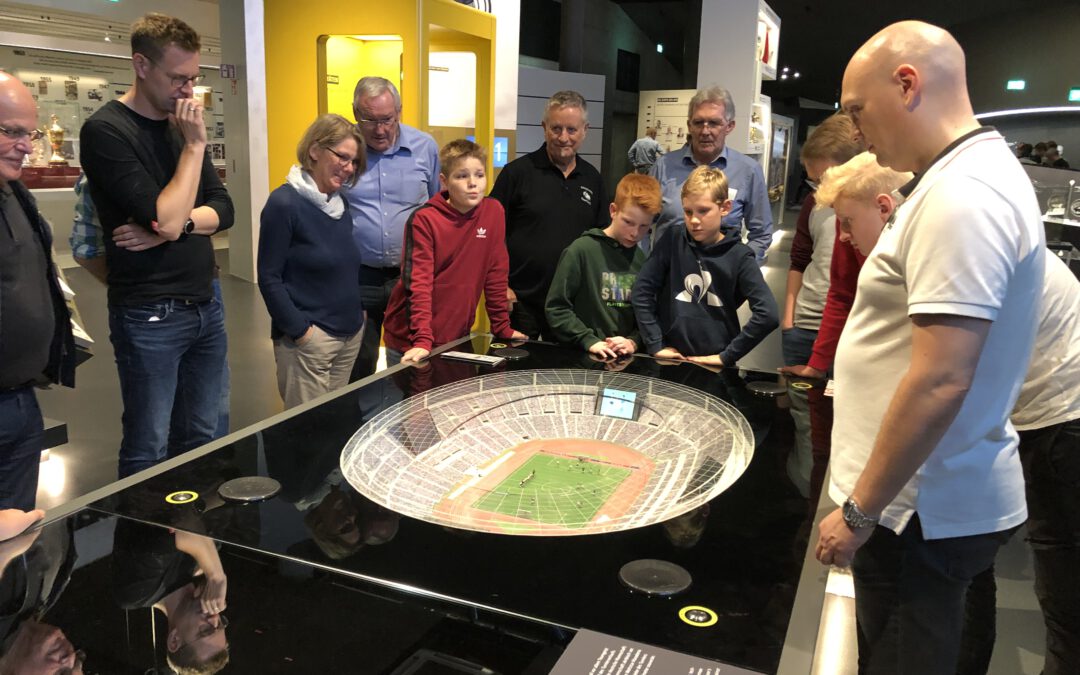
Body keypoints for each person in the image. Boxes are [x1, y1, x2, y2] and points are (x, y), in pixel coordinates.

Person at [815, 22, 1045, 674]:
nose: (857, 134)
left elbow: (941, 377)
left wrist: (859, 510)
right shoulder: (955, 181)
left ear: (908, 85)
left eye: (858, 111)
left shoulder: (961, 197)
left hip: (916, 509)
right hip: (914, 504)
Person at [78, 14, 234, 478]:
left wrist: (177, 226)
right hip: (149, 313)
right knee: (149, 445)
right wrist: (193, 150)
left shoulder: (178, 126)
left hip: (207, 300)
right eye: (177, 78)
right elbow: (164, 214)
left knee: (204, 434)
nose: (187, 92)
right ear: (141, 65)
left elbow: (224, 210)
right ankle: (145, 546)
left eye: (193, 79)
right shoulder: (106, 131)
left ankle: (194, 538)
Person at [69, 172, 232, 438]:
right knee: (152, 429)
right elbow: (86, 249)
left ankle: (205, 476)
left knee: (211, 415)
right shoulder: (110, 162)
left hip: (205, 294)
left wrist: (174, 229)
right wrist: (138, 287)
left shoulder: (189, 158)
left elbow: (223, 211)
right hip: (151, 306)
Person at [0, 72, 77, 510]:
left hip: (21, 400)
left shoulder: (15, 194)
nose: (28, 145)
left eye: (28, 133)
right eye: (11, 132)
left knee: (18, 535)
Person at [382, 139, 526, 364]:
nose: (473, 183)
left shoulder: (493, 211)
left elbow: (496, 273)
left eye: (479, 175)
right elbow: (418, 284)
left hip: (456, 337)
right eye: (462, 176)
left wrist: (502, 327)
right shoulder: (424, 219)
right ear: (444, 181)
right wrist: (422, 340)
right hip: (410, 340)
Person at [258, 114, 367, 408]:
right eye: (342, 157)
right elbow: (269, 277)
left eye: (354, 161)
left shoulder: (339, 203)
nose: (349, 168)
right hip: (309, 342)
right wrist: (301, 333)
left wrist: (358, 318)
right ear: (315, 150)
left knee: (331, 423)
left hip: (348, 334)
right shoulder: (284, 204)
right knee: (308, 433)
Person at [631, 166, 778, 368]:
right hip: (670, 358)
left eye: (703, 211)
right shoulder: (673, 239)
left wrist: (727, 356)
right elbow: (642, 290)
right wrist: (655, 344)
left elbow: (768, 314)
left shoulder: (740, 256)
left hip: (715, 363)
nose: (694, 220)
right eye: (688, 211)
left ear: (725, 208)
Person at [490, 90, 608, 339]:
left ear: (585, 130)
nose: (563, 137)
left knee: (564, 375)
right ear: (544, 128)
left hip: (572, 305)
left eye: (572, 130)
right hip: (521, 302)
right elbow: (490, 235)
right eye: (556, 128)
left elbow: (602, 240)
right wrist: (501, 286)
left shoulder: (593, 179)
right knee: (517, 376)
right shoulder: (516, 174)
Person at [346, 77, 440, 380]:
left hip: (411, 276)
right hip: (360, 276)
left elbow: (439, 207)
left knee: (413, 359)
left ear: (399, 111)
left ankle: (410, 425)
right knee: (359, 361)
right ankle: (358, 424)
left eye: (387, 119)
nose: (380, 129)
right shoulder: (346, 153)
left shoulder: (424, 147)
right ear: (355, 113)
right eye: (369, 120)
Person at [649, 86, 772, 262]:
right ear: (689, 125)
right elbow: (641, 223)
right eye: (698, 122)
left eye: (714, 123)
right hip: (667, 278)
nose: (705, 131)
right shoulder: (663, 167)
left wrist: (740, 269)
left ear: (730, 126)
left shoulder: (748, 171)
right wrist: (646, 266)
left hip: (720, 283)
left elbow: (761, 234)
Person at [545, 173, 661, 358]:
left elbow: (648, 314)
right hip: (583, 357)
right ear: (613, 210)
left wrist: (633, 341)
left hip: (624, 359)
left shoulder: (642, 260)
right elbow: (557, 308)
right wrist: (588, 340)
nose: (634, 233)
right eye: (628, 222)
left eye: (643, 227)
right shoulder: (581, 250)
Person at [780, 113, 861, 368]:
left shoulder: (880, 208)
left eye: (825, 180)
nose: (821, 191)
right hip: (806, 324)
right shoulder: (813, 203)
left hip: (854, 330)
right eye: (814, 182)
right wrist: (789, 320)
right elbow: (800, 260)